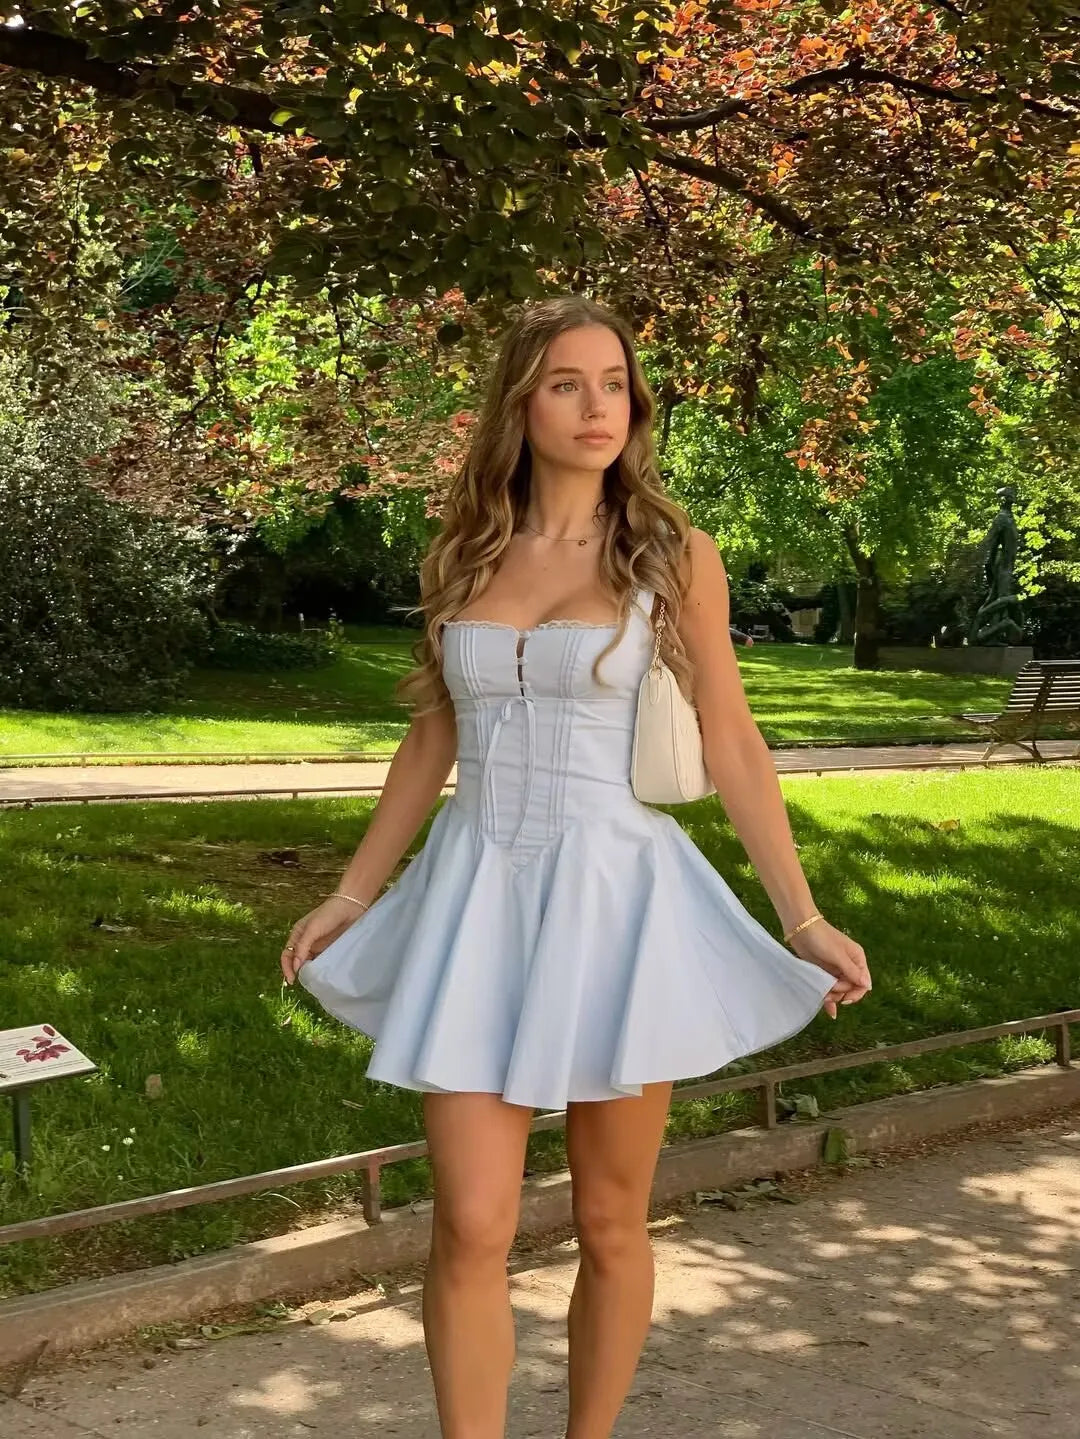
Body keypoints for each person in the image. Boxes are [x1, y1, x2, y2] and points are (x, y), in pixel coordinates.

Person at [280, 295, 871, 1439]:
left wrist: (800, 916)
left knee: (610, 1217)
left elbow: (734, 741)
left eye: (614, 382)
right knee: (471, 1222)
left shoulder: (673, 552)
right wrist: (351, 893)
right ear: (521, 402)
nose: (597, 406)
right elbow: (433, 733)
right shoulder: (465, 550)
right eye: (566, 382)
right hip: (474, 896)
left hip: (616, 901)